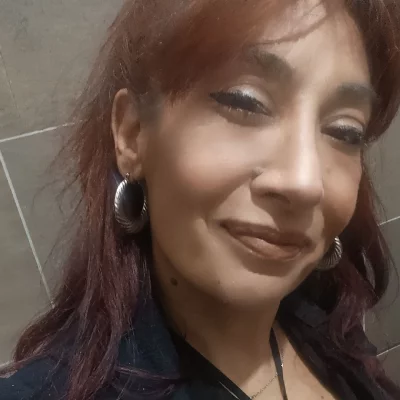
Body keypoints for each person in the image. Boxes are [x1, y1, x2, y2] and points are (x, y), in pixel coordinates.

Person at [1, 0, 400, 399]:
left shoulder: (330, 326)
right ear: (132, 133)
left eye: (345, 131)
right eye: (244, 101)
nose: (305, 181)